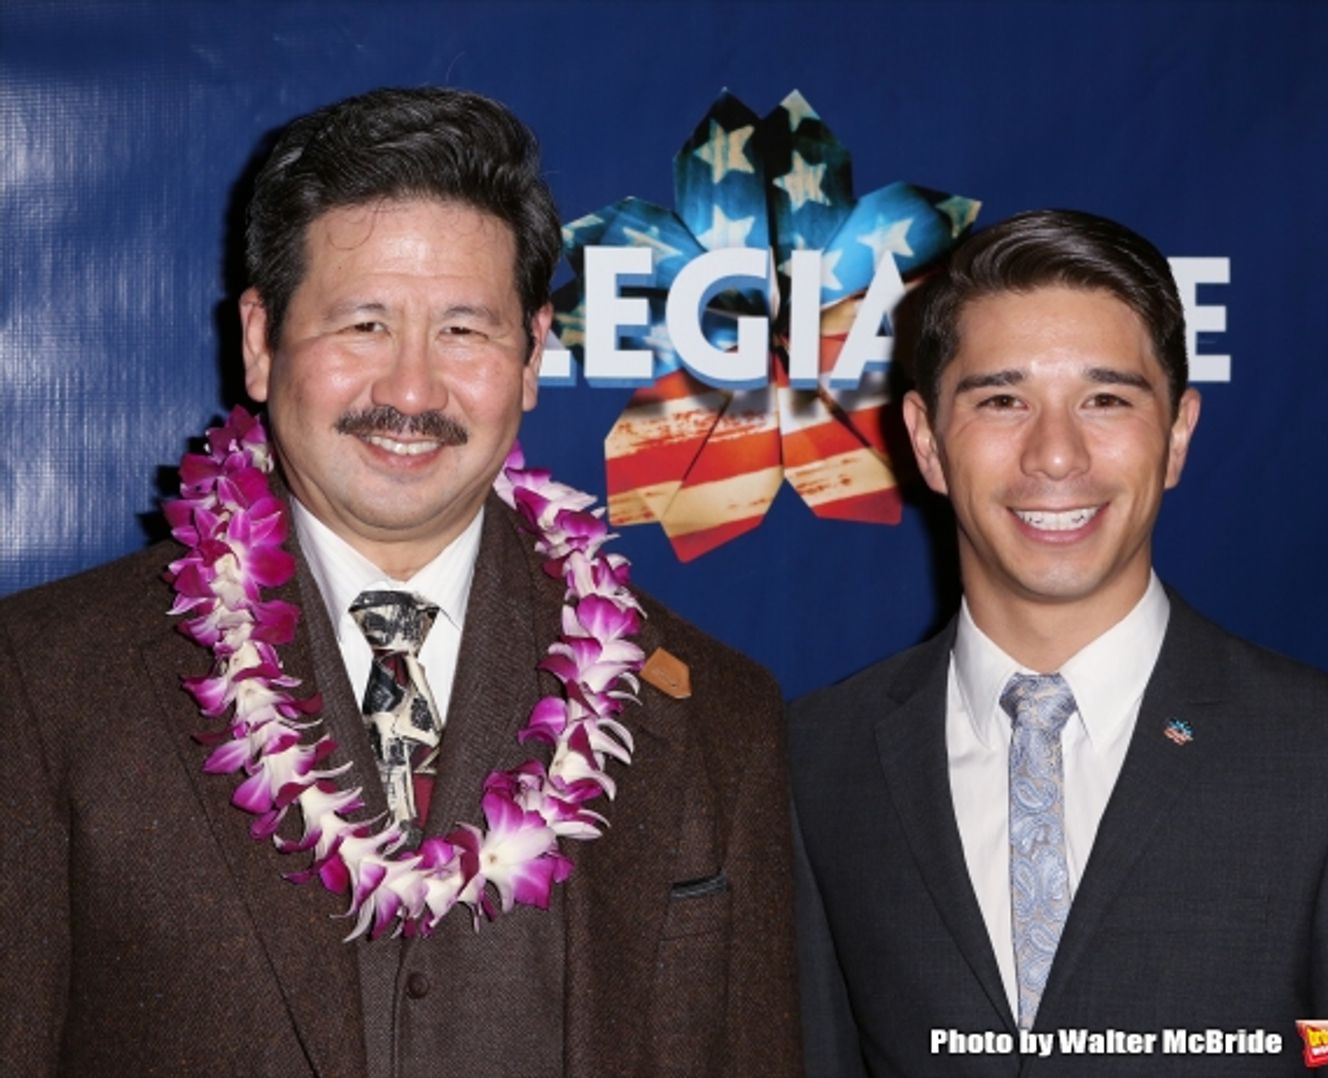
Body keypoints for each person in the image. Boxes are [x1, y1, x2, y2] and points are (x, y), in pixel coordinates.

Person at [0, 87, 800, 1076]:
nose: (411, 390)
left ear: (531, 355)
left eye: (463, 330)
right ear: (260, 341)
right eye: (364, 324)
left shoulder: (713, 716)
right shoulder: (44, 686)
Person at [789, 210, 1328, 1076]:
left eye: (1106, 399)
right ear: (926, 441)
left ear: (1177, 435)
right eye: (1002, 401)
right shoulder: (815, 760)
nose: (1056, 455)